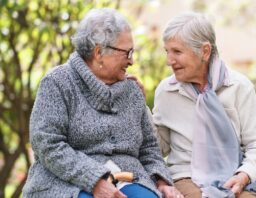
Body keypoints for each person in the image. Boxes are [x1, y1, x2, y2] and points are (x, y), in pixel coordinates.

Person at [22, 8, 183, 198]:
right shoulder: (57, 83)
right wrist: (94, 179)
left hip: (130, 178)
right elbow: (48, 145)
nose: (131, 60)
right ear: (99, 53)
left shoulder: (131, 91)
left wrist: (162, 182)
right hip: (67, 182)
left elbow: (149, 148)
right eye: (127, 52)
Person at [152, 12, 256, 198]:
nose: (169, 60)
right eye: (167, 51)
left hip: (235, 174)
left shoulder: (238, 87)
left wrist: (244, 175)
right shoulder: (166, 91)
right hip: (186, 177)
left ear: (205, 51)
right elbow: (157, 148)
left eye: (177, 51)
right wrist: (139, 110)